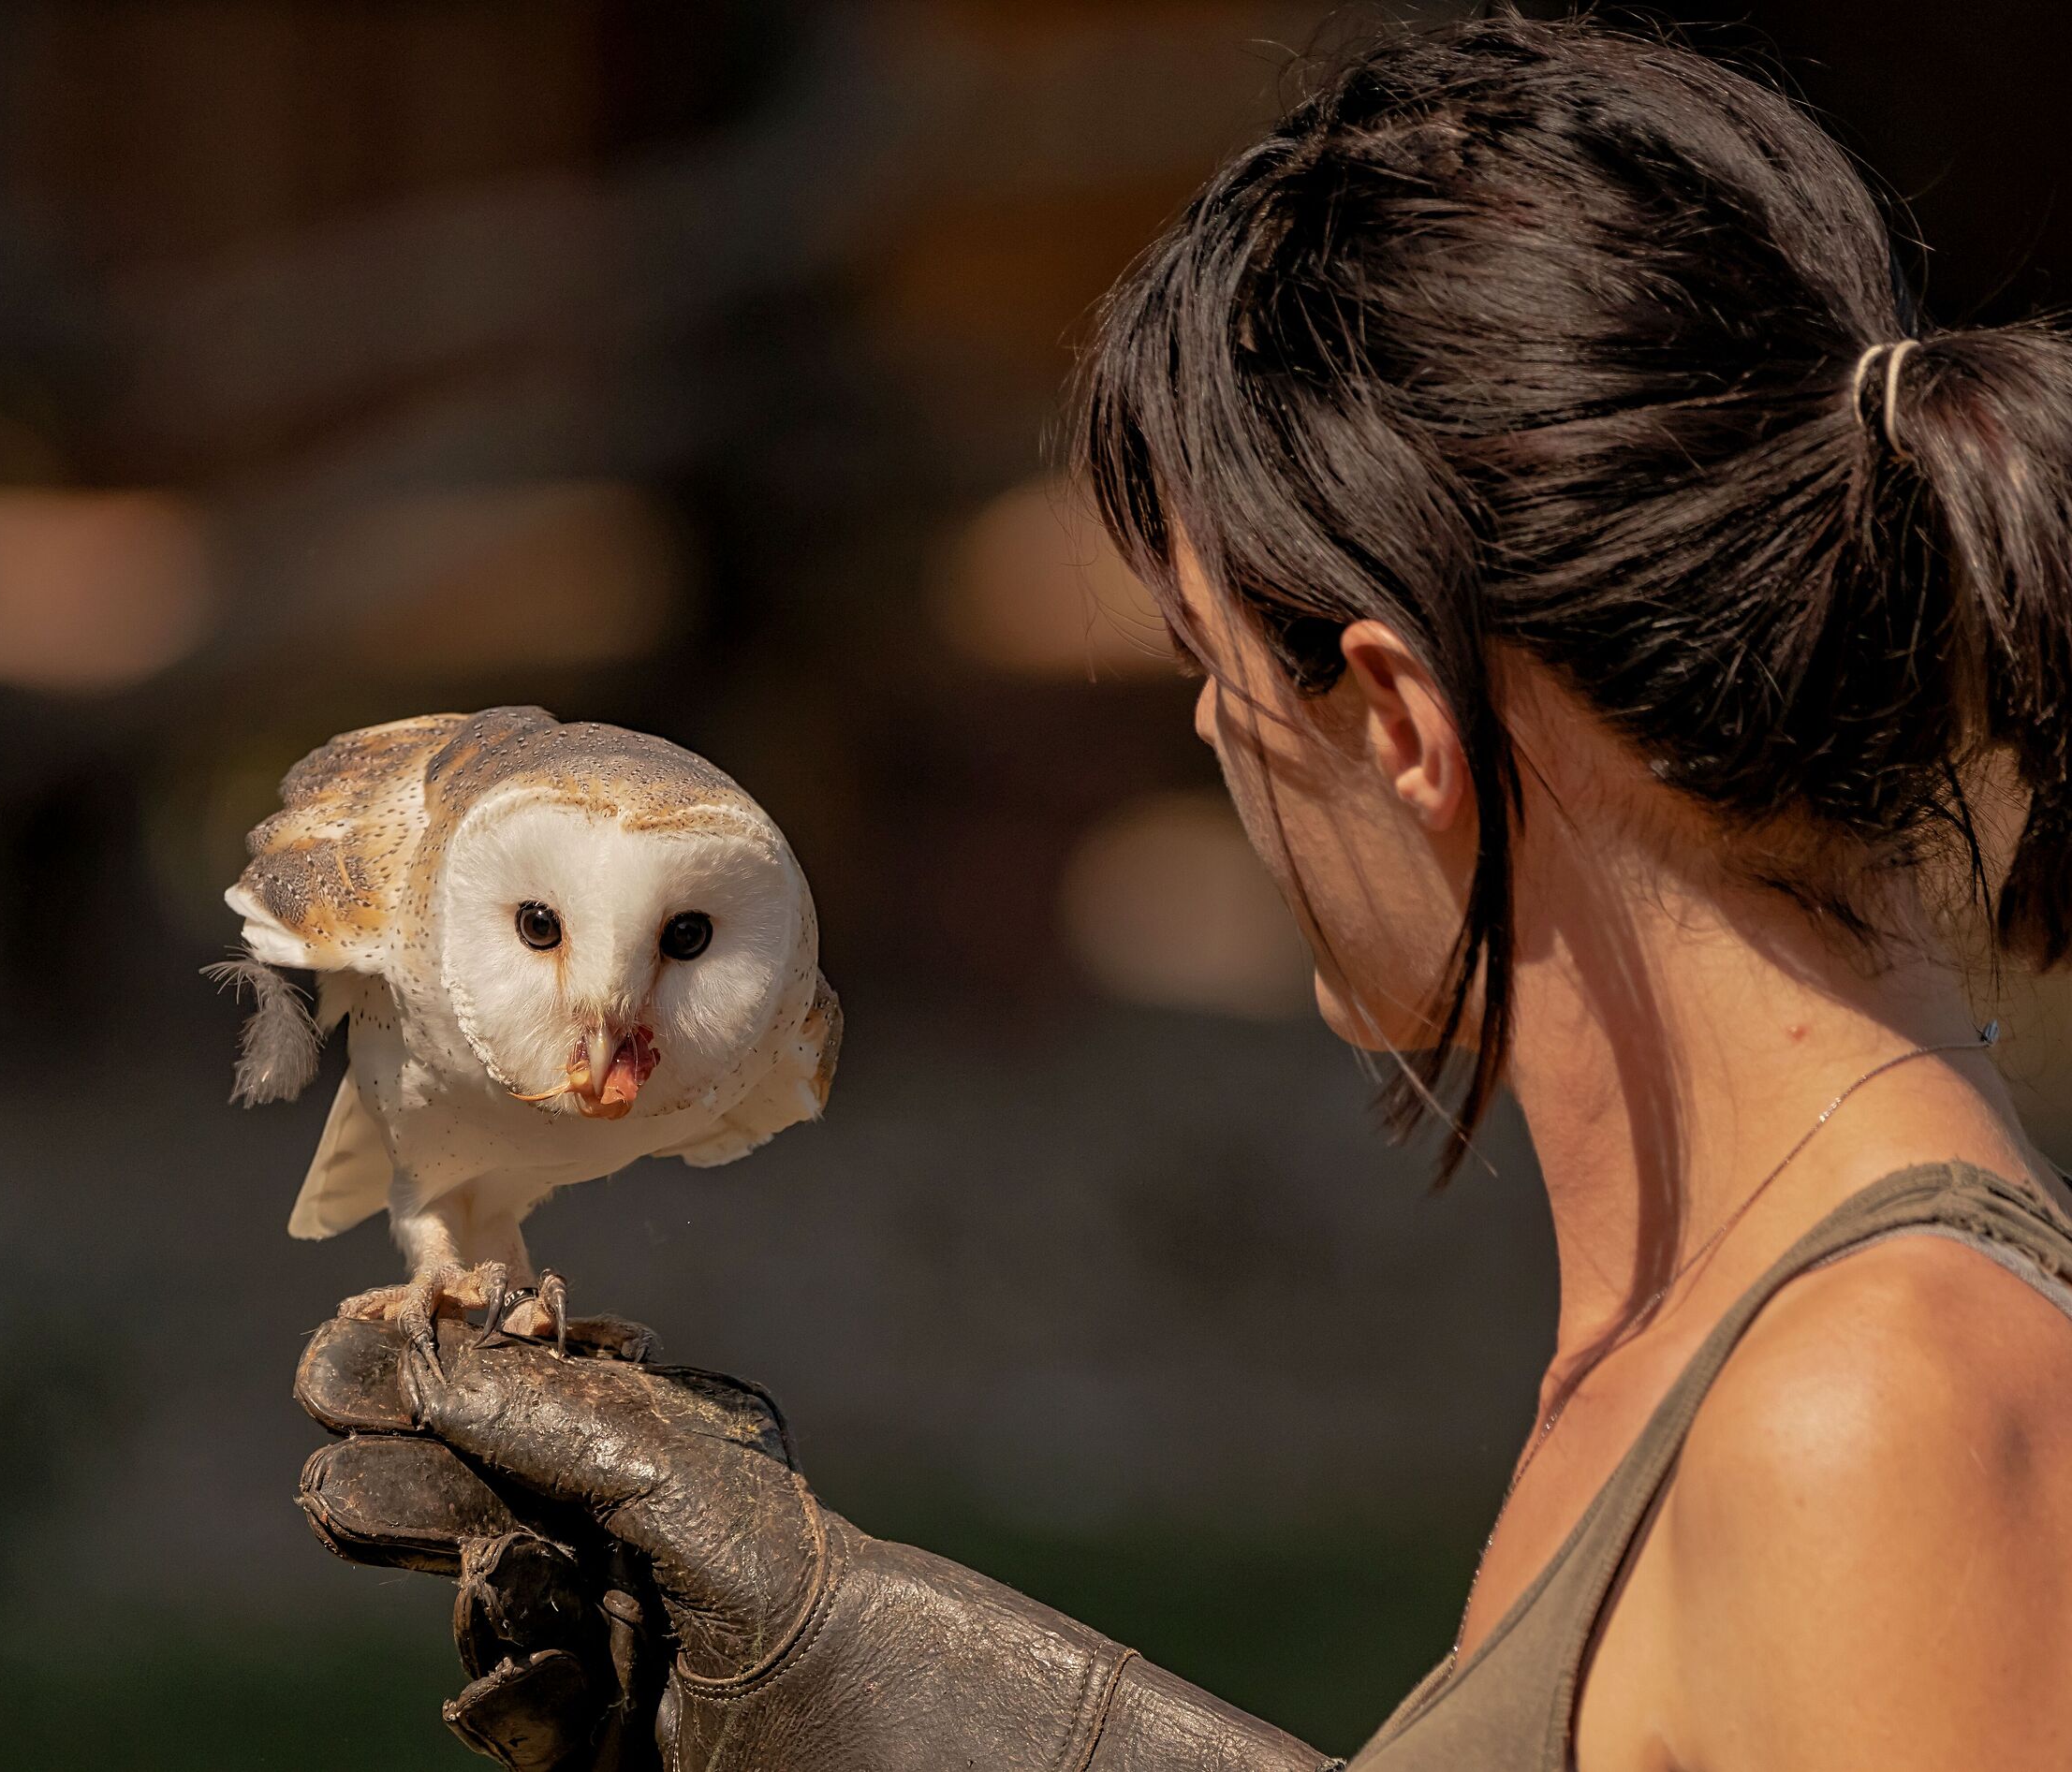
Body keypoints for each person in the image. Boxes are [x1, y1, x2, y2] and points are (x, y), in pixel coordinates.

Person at [293, 14, 2072, 1768]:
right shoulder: (1748, 1343)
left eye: (1209, 676)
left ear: (1398, 721)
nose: (1212, 747)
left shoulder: (1876, 1415)